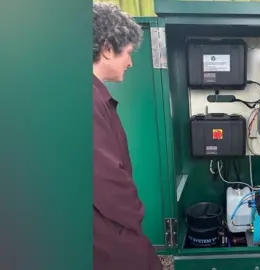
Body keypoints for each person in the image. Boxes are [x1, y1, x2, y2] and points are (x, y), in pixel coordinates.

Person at [92, 2, 163, 270]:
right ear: (108, 48)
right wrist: (134, 216)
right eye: (129, 53)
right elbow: (104, 176)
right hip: (109, 229)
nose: (131, 62)